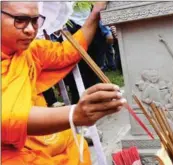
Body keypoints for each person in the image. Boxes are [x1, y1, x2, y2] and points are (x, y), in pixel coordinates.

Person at [1, 2, 126, 165]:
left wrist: (94, 14)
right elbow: (7, 118)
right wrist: (74, 114)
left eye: (34, 21)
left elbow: (69, 51)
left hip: (38, 139)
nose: (30, 30)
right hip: (8, 150)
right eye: (20, 20)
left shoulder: (29, 52)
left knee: (76, 145)